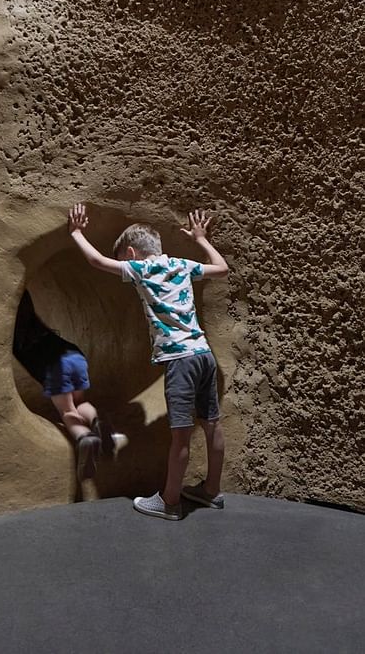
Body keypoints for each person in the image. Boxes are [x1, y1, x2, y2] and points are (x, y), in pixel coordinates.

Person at [68, 203, 229, 520]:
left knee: (180, 434)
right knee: (212, 424)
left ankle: (169, 502)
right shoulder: (182, 265)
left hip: (180, 361)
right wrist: (201, 238)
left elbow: (95, 261)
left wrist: (75, 232)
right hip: (203, 353)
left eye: (123, 261)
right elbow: (221, 269)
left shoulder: (142, 269)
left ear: (131, 253)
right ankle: (211, 491)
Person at [13, 289, 114, 481]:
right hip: (74, 354)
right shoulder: (38, 326)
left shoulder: (16, 340)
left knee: (67, 412)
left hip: (55, 366)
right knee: (80, 402)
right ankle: (97, 422)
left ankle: (84, 437)